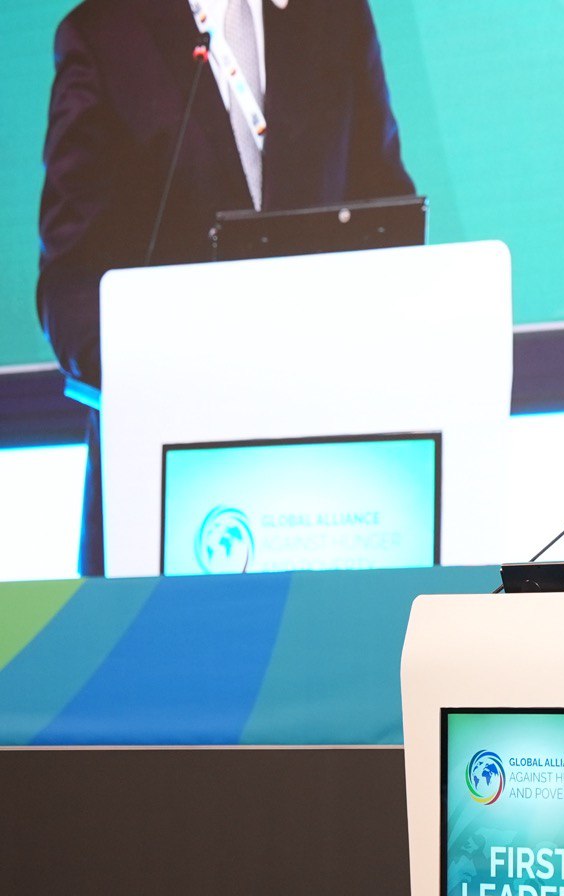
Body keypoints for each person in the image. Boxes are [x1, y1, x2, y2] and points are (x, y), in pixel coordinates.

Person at [37, 0, 416, 575]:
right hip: (169, 478)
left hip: (329, 472)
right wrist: (167, 383)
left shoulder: (334, 15)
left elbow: (386, 217)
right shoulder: (104, 32)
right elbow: (72, 282)